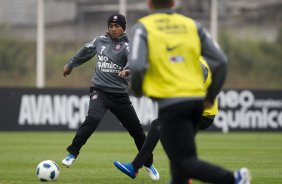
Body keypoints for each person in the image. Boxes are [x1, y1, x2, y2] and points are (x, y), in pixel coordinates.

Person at [123, 0, 251, 184]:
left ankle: (234, 179)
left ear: (149, 4)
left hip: (173, 103)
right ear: (174, 3)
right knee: (179, 159)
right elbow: (221, 62)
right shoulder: (192, 26)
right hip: (197, 104)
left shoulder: (143, 27)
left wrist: (135, 89)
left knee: (184, 162)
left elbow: (137, 64)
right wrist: (211, 96)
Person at [61, 13, 159, 181]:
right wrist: (71, 64)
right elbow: (85, 51)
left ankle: (148, 163)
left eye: (117, 26)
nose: (113, 29)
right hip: (99, 90)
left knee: (136, 131)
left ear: (124, 27)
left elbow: (132, 62)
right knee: (93, 118)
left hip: (120, 95)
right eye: (111, 26)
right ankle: (72, 153)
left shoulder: (129, 45)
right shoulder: (100, 40)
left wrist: (127, 70)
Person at [113, 58, 218, 184]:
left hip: (203, 115)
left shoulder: (200, 66)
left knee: (159, 126)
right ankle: (182, 176)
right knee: (161, 130)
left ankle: (135, 167)